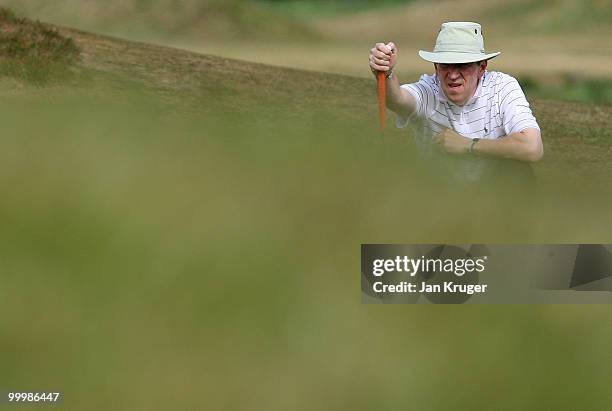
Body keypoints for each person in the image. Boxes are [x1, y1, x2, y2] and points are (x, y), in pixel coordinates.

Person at [369, 21, 543, 184]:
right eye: (445, 65)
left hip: (494, 193)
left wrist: (468, 145)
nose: (452, 75)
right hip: (438, 192)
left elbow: (532, 147)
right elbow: (397, 100)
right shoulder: (428, 89)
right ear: (436, 67)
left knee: (518, 171)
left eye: (462, 65)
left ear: (482, 67)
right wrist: (387, 74)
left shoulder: (502, 87)